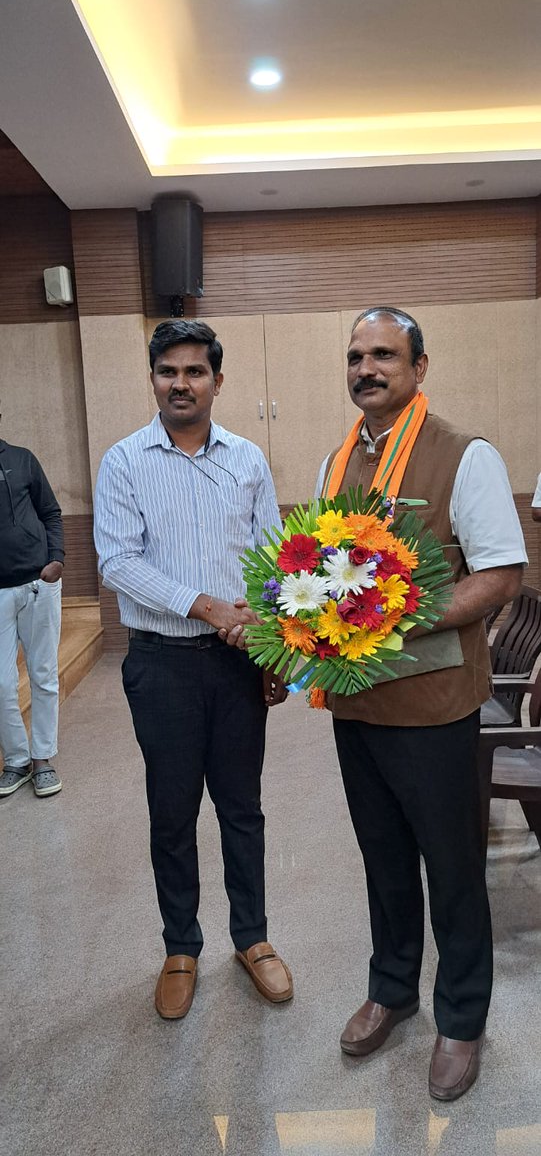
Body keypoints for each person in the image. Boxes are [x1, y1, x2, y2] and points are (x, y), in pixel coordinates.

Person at [315, 306, 526, 1101]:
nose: (366, 369)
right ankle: (393, 989)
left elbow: (499, 573)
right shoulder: (336, 465)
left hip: (435, 705)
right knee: (380, 859)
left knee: (451, 866)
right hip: (355, 705)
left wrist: (399, 615)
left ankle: (462, 1018)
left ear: (419, 367)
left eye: (383, 355)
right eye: (355, 356)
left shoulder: (460, 455)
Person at [93, 319, 292, 1019]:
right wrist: (203, 605)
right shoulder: (124, 461)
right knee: (172, 812)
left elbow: (275, 559)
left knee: (242, 807)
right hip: (162, 667)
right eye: (168, 371)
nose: (181, 383)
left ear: (217, 380)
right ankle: (181, 946)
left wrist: (274, 648)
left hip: (238, 666)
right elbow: (116, 563)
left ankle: (253, 939)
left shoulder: (246, 459)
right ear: (152, 379)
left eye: (194, 371)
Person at [0, 420, 64, 798]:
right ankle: (16, 760)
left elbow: (50, 512)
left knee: (43, 675)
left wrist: (56, 560)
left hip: (38, 583)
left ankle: (42, 759)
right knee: (3, 682)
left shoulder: (22, 460)